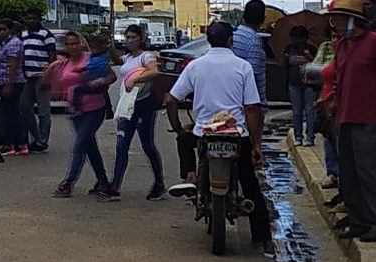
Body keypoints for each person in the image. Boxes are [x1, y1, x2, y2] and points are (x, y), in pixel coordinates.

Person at [322, 0, 376, 243]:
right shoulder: (343, 46)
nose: (335, 23)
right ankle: (359, 220)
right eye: (333, 19)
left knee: (369, 171)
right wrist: (333, 99)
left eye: (339, 18)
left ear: (353, 20)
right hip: (344, 116)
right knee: (349, 172)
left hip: (369, 115)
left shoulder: (374, 42)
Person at [167, 21, 262, 214]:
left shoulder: (196, 66)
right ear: (230, 40)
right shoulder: (243, 67)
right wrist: (256, 144)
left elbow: (170, 99)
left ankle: (191, 177)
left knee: (183, 138)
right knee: (250, 183)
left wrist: (178, 127)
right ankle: (265, 239)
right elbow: (252, 107)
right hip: (237, 135)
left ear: (208, 40)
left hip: (204, 133)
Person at [49, 31, 117, 198]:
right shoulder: (64, 64)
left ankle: (69, 183)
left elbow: (111, 76)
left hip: (94, 109)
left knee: (79, 146)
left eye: (75, 43)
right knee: (89, 147)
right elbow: (56, 87)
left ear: (82, 43)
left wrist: (100, 82)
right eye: (68, 44)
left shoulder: (91, 58)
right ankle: (104, 182)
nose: (72, 47)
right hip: (76, 111)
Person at [108, 23, 170, 200]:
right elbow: (116, 60)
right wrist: (108, 45)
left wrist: (135, 79)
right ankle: (116, 186)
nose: (130, 41)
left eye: (133, 37)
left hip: (144, 105)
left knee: (147, 145)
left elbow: (154, 71)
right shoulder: (128, 58)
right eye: (127, 37)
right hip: (128, 105)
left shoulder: (147, 56)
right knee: (122, 146)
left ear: (141, 38)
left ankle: (159, 183)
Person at [18, 10, 58, 152]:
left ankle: (42, 141)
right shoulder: (23, 35)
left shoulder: (46, 35)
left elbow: (52, 55)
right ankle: (35, 136)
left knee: (43, 110)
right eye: (29, 18)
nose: (31, 21)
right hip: (28, 76)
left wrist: (48, 73)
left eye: (34, 18)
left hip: (42, 75)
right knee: (24, 106)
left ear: (39, 19)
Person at [0, 20, 27, 154]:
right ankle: (16, 143)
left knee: (11, 113)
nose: (1, 32)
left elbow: (13, 66)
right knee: (8, 113)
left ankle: (13, 144)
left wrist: (8, 86)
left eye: (4, 29)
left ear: (11, 30)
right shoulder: (4, 44)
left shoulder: (14, 44)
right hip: (5, 81)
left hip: (13, 82)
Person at [283, 25, 318, 146]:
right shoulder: (288, 49)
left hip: (309, 84)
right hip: (294, 84)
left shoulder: (312, 49)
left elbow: (318, 66)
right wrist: (286, 59)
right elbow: (284, 66)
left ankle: (310, 136)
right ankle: (298, 136)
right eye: (294, 38)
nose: (297, 41)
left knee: (309, 112)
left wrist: (309, 57)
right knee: (297, 112)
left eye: (300, 38)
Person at [233, 0, 271, 111]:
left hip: (235, 98)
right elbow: (254, 75)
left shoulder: (233, 35)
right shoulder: (253, 40)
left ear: (243, 17)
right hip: (249, 104)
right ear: (263, 19)